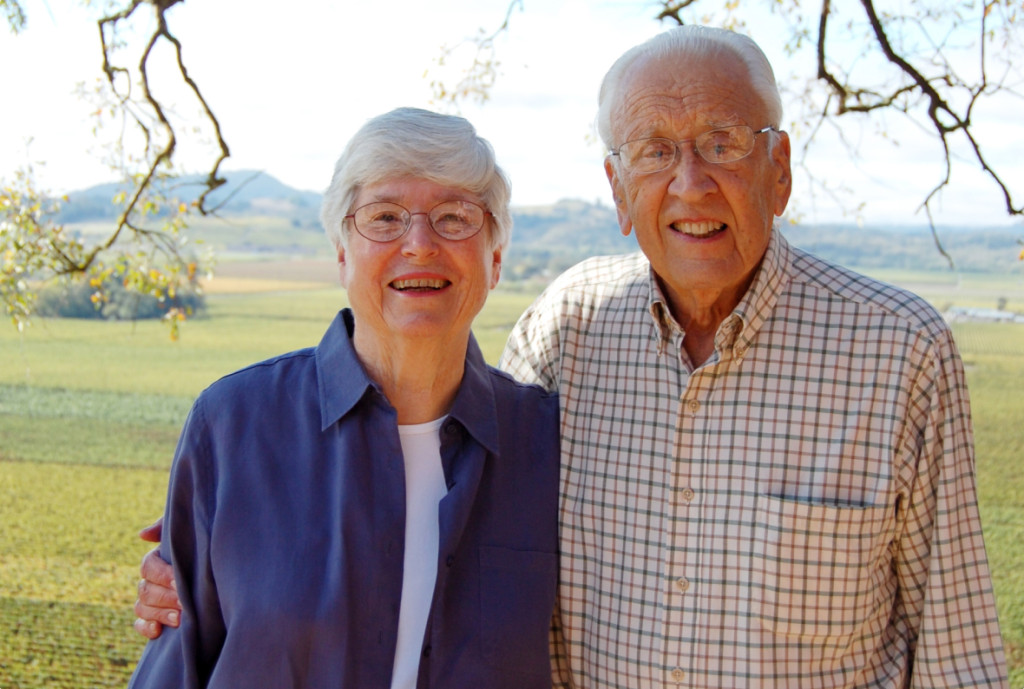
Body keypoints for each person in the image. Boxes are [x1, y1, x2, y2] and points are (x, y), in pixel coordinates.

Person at [135, 27, 1010, 689]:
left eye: (724, 143)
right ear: (618, 190)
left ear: (779, 169)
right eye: (656, 151)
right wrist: (205, 562)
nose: (691, 183)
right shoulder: (571, 331)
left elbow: (955, 646)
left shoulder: (898, 351)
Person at [127, 107, 560, 689]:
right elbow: (178, 665)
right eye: (384, 217)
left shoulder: (547, 443)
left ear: (496, 257)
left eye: (455, 218)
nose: (420, 244)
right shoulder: (233, 427)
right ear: (340, 253)